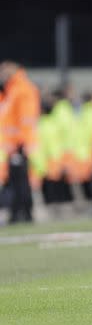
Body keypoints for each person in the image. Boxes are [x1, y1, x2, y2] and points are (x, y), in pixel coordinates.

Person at [0, 61, 40, 224]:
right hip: (13, 146)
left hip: (19, 145)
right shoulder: (12, 90)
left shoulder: (22, 89)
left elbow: (26, 119)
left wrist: (21, 143)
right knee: (16, 180)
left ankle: (24, 213)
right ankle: (17, 212)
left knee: (21, 181)